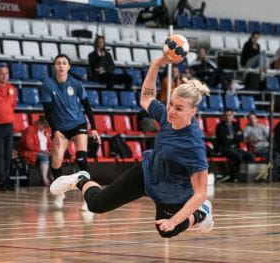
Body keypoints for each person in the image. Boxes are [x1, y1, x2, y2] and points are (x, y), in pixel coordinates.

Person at [49, 54, 214, 239]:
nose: (171, 111)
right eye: (170, 104)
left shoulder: (193, 146)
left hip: (172, 190)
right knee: (96, 205)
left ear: (193, 111)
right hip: (147, 173)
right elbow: (146, 98)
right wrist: (156, 64)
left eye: (179, 108)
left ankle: (202, 212)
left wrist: (174, 221)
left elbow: (200, 194)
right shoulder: (167, 117)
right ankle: (81, 179)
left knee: (167, 230)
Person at [41, 54, 99, 208]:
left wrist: (93, 128)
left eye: (64, 63)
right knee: (56, 160)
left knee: (81, 158)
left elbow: (87, 106)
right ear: (54, 66)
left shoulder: (76, 84)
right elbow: (47, 111)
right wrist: (55, 130)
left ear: (68, 67)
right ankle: (59, 193)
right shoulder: (48, 84)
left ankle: (88, 196)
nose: (61, 66)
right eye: (58, 63)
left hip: (78, 123)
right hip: (60, 127)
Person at [243, 112, 280, 180]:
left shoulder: (261, 126)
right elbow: (243, 139)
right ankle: (279, 171)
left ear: (257, 119)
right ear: (248, 120)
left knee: (279, 153)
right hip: (258, 148)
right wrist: (250, 140)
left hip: (267, 146)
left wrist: (268, 137)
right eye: (250, 119)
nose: (252, 120)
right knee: (273, 155)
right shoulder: (247, 128)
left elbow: (270, 135)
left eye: (254, 118)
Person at [215, 109, 254, 182]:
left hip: (235, 148)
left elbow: (241, 138)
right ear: (223, 116)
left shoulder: (236, 124)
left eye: (229, 115)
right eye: (226, 115)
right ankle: (238, 176)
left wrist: (232, 137)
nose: (228, 117)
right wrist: (235, 136)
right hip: (225, 149)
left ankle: (248, 176)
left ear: (233, 116)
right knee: (238, 156)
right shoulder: (220, 126)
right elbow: (224, 140)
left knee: (250, 156)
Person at [18, 116, 50, 185]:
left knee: (56, 157)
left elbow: (49, 144)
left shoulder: (45, 132)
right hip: (31, 152)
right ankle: (44, 179)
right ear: (40, 123)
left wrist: (49, 151)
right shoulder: (30, 130)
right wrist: (41, 150)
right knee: (44, 157)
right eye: (44, 126)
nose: (44, 128)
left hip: (44, 151)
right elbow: (28, 145)